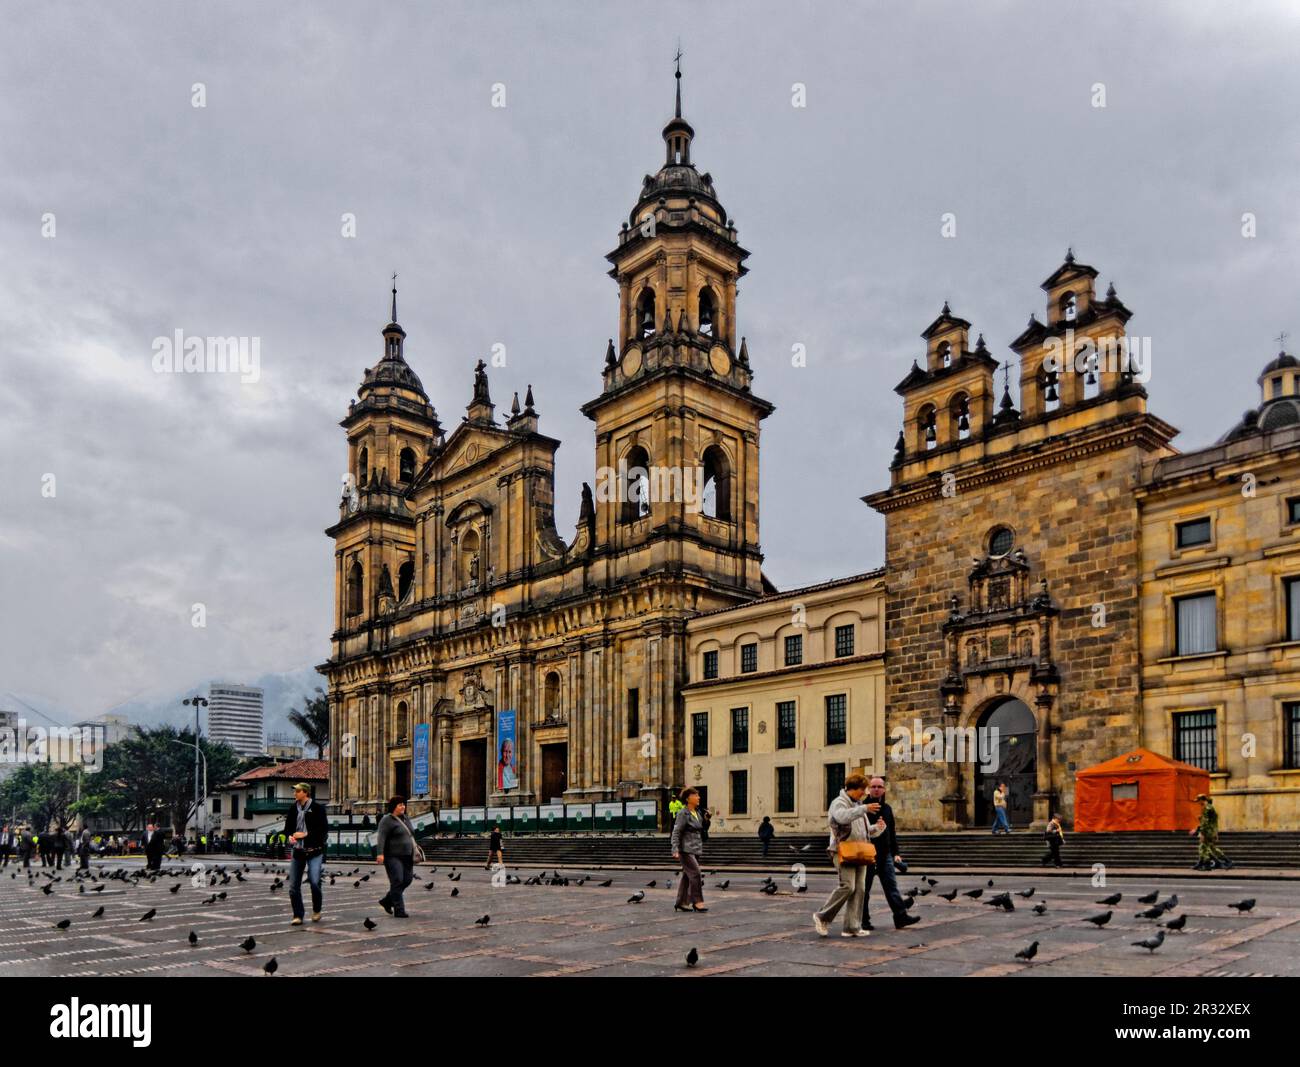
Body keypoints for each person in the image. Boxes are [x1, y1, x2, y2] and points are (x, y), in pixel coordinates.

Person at [814, 773, 885, 938]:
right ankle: (822, 916)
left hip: (860, 851)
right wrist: (864, 809)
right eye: (862, 790)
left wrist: (878, 828)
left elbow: (865, 832)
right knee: (848, 886)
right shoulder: (838, 803)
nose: (864, 793)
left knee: (860, 889)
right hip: (843, 851)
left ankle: (852, 927)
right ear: (853, 789)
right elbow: (842, 818)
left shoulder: (858, 805)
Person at [861, 776, 921, 931]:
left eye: (879, 787)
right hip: (868, 855)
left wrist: (896, 853)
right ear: (869, 789)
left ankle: (900, 917)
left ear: (884, 789)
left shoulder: (887, 808)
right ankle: (863, 921)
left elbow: (891, 833)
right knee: (864, 890)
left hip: (885, 854)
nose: (876, 789)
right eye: (873, 786)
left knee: (891, 887)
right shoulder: (863, 807)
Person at [284, 783, 329, 925]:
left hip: (314, 851)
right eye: (295, 791)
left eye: (297, 791)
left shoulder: (317, 808)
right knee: (293, 887)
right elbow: (288, 829)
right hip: (298, 851)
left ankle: (316, 910)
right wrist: (290, 836)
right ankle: (298, 915)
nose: (295, 794)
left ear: (306, 793)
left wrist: (305, 835)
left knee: (315, 882)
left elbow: (323, 830)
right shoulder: (293, 808)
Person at [376, 795, 421, 919]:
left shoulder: (406, 818)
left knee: (407, 880)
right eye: (400, 804)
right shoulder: (387, 820)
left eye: (403, 804)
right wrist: (380, 853)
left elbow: (411, 833)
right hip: (392, 856)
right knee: (397, 880)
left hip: (407, 855)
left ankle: (387, 900)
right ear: (394, 806)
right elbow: (381, 837)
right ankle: (399, 910)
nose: (403, 806)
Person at [670, 787, 710, 913]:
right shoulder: (683, 813)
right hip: (685, 849)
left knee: (687, 876)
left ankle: (681, 902)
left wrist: (707, 819)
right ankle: (697, 902)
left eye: (698, 795)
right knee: (696, 873)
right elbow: (676, 831)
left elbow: (702, 828)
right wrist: (675, 848)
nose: (698, 797)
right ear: (688, 798)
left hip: (696, 848)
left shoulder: (697, 812)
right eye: (696, 795)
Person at [1191, 794, 1231, 870]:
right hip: (1210, 831)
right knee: (1208, 847)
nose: (1198, 803)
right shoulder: (1210, 807)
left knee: (1204, 847)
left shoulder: (1207, 808)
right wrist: (1215, 832)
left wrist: (1202, 833)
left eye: (1198, 801)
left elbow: (1205, 822)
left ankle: (1207, 864)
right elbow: (1212, 822)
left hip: (1207, 831)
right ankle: (1203, 863)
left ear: (1202, 800)